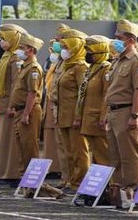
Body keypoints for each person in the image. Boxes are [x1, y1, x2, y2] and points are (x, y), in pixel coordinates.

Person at [105, 20, 138, 203]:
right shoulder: (117, 60)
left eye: (119, 38)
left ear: (130, 40)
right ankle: (119, 192)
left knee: (129, 155)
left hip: (126, 112)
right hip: (113, 112)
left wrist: (134, 115)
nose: (115, 41)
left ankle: (134, 190)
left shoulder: (137, 61)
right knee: (115, 155)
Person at [57, 28, 90, 192]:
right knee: (68, 151)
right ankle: (71, 179)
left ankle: (80, 181)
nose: (64, 50)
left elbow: (83, 93)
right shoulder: (66, 65)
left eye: (66, 46)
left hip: (74, 115)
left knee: (79, 151)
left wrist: (78, 115)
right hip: (63, 114)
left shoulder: (80, 67)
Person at [0, 24, 26, 184]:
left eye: (4, 38)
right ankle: (4, 172)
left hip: (10, 106)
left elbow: (16, 84)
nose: (2, 42)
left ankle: (12, 173)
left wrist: (12, 105)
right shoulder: (6, 55)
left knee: (11, 141)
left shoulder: (16, 58)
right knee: (3, 141)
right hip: (3, 103)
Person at [7, 33, 44, 173]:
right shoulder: (25, 66)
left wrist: (26, 114)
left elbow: (32, 93)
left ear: (31, 50)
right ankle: (25, 177)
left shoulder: (33, 68)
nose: (19, 51)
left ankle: (33, 178)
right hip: (20, 110)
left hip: (29, 110)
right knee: (22, 146)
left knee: (29, 147)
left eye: (22, 48)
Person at [74, 35, 111, 166]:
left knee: (103, 154)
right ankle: (100, 184)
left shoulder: (105, 69)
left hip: (97, 119)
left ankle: (109, 183)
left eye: (90, 51)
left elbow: (107, 94)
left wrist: (103, 117)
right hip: (89, 118)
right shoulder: (92, 68)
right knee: (96, 154)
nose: (87, 54)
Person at [49, 23, 72, 188]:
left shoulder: (76, 66)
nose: (58, 44)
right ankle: (66, 179)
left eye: (61, 41)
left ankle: (75, 181)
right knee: (63, 148)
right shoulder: (60, 62)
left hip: (70, 111)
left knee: (74, 150)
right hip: (59, 109)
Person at [42, 39, 61, 177]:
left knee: (58, 140)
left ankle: (58, 169)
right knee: (49, 138)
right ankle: (52, 167)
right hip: (50, 103)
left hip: (60, 107)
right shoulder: (53, 62)